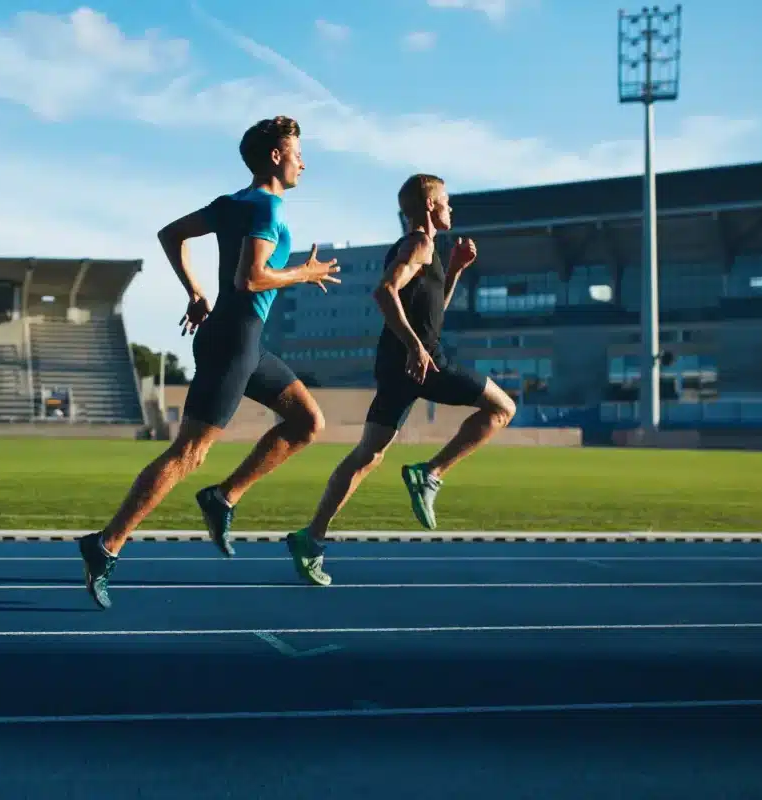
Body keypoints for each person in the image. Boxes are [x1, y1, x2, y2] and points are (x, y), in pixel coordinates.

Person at [77, 116, 341, 609]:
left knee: (308, 421)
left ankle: (223, 497)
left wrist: (195, 290)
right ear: (276, 157)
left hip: (242, 340)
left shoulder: (232, 203)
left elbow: (169, 233)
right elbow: (251, 279)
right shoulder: (266, 208)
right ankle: (105, 545)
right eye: (297, 152)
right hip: (233, 342)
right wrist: (303, 273)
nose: (304, 161)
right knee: (188, 455)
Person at [285, 173, 517, 586]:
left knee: (367, 455)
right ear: (430, 206)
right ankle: (430, 473)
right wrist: (415, 347)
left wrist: (458, 271)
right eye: (446, 202)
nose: (451, 209)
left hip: (397, 364)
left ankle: (311, 539)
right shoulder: (420, 243)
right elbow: (384, 292)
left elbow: (429, 315)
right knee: (503, 407)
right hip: (422, 363)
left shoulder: (423, 250)